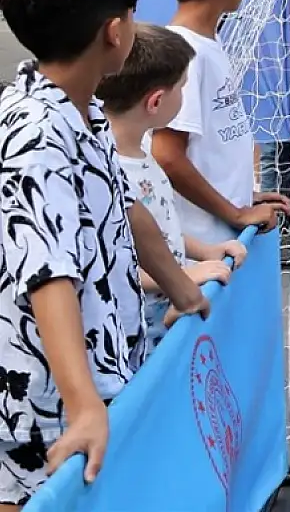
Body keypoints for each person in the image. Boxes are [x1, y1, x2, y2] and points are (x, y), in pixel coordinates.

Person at [0, 0, 208, 507]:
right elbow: (46, 274)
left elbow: (124, 207)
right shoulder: (37, 136)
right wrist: (84, 404)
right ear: (114, 32)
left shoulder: (77, 109)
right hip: (46, 403)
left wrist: (182, 287)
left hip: (101, 371)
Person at [97, 24, 248, 348]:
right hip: (137, 340)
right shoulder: (109, 171)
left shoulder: (139, 152)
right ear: (156, 102)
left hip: (165, 321)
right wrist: (181, 279)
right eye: (182, 88)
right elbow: (110, 264)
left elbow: (156, 232)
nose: (185, 96)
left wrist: (204, 250)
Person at [153, 0, 286, 251]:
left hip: (221, 234)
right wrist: (236, 212)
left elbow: (208, 148)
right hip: (206, 246)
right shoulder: (185, 53)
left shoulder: (204, 44)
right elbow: (167, 155)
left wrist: (242, 195)